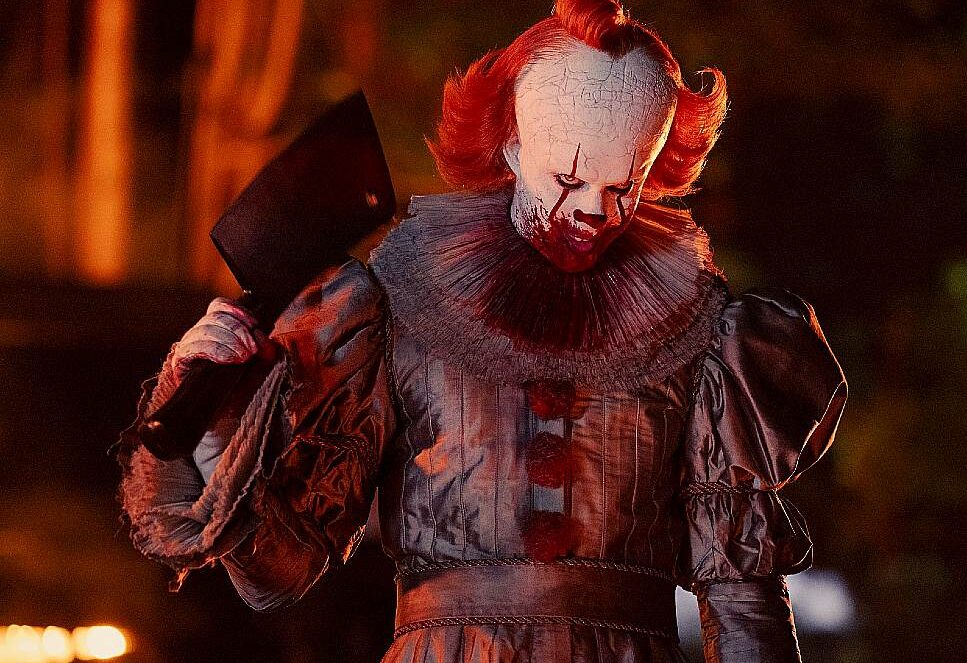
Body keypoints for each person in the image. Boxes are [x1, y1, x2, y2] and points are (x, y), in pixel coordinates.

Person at [115, 1, 848, 661]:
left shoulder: (699, 328)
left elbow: (743, 596)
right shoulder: (400, 307)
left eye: (623, 185)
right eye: (567, 179)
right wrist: (214, 420)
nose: (593, 210)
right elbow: (277, 570)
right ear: (512, 146)